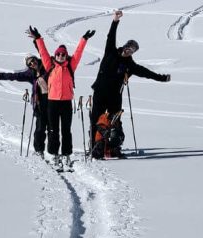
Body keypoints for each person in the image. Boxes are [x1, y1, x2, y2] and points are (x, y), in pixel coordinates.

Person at [89, 10, 170, 151]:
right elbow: (111, 36)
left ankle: (113, 147)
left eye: (132, 50)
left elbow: (146, 73)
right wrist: (115, 21)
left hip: (115, 96)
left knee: (115, 122)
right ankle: (95, 146)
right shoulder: (111, 52)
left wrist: (161, 78)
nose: (129, 51)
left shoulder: (130, 65)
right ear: (125, 46)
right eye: (128, 47)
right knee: (96, 119)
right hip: (100, 92)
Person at [27, 24, 94, 168]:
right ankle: (53, 154)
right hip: (52, 103)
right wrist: (38, 38)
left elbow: (78, 53)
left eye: (63, 54)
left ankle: (66, 154)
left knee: (66, 130)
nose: (61, 56)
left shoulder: (71, 65)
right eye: (58, 54)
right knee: (53, 130)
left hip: (66, 103)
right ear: (55, 55)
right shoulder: (49, 65)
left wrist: (84, 39)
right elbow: (43, 52)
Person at [0, 55, 49, 156]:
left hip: (52, 102)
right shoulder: (30, 73)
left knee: (52, 129)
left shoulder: (47, 67)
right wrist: (0, 76)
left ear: (36, 59)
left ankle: (54, 151)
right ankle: (39, 150)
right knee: (40, 128)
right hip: (39, 104)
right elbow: (16, 76)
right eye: (29, 63)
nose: (32, 63)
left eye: (33, 61)